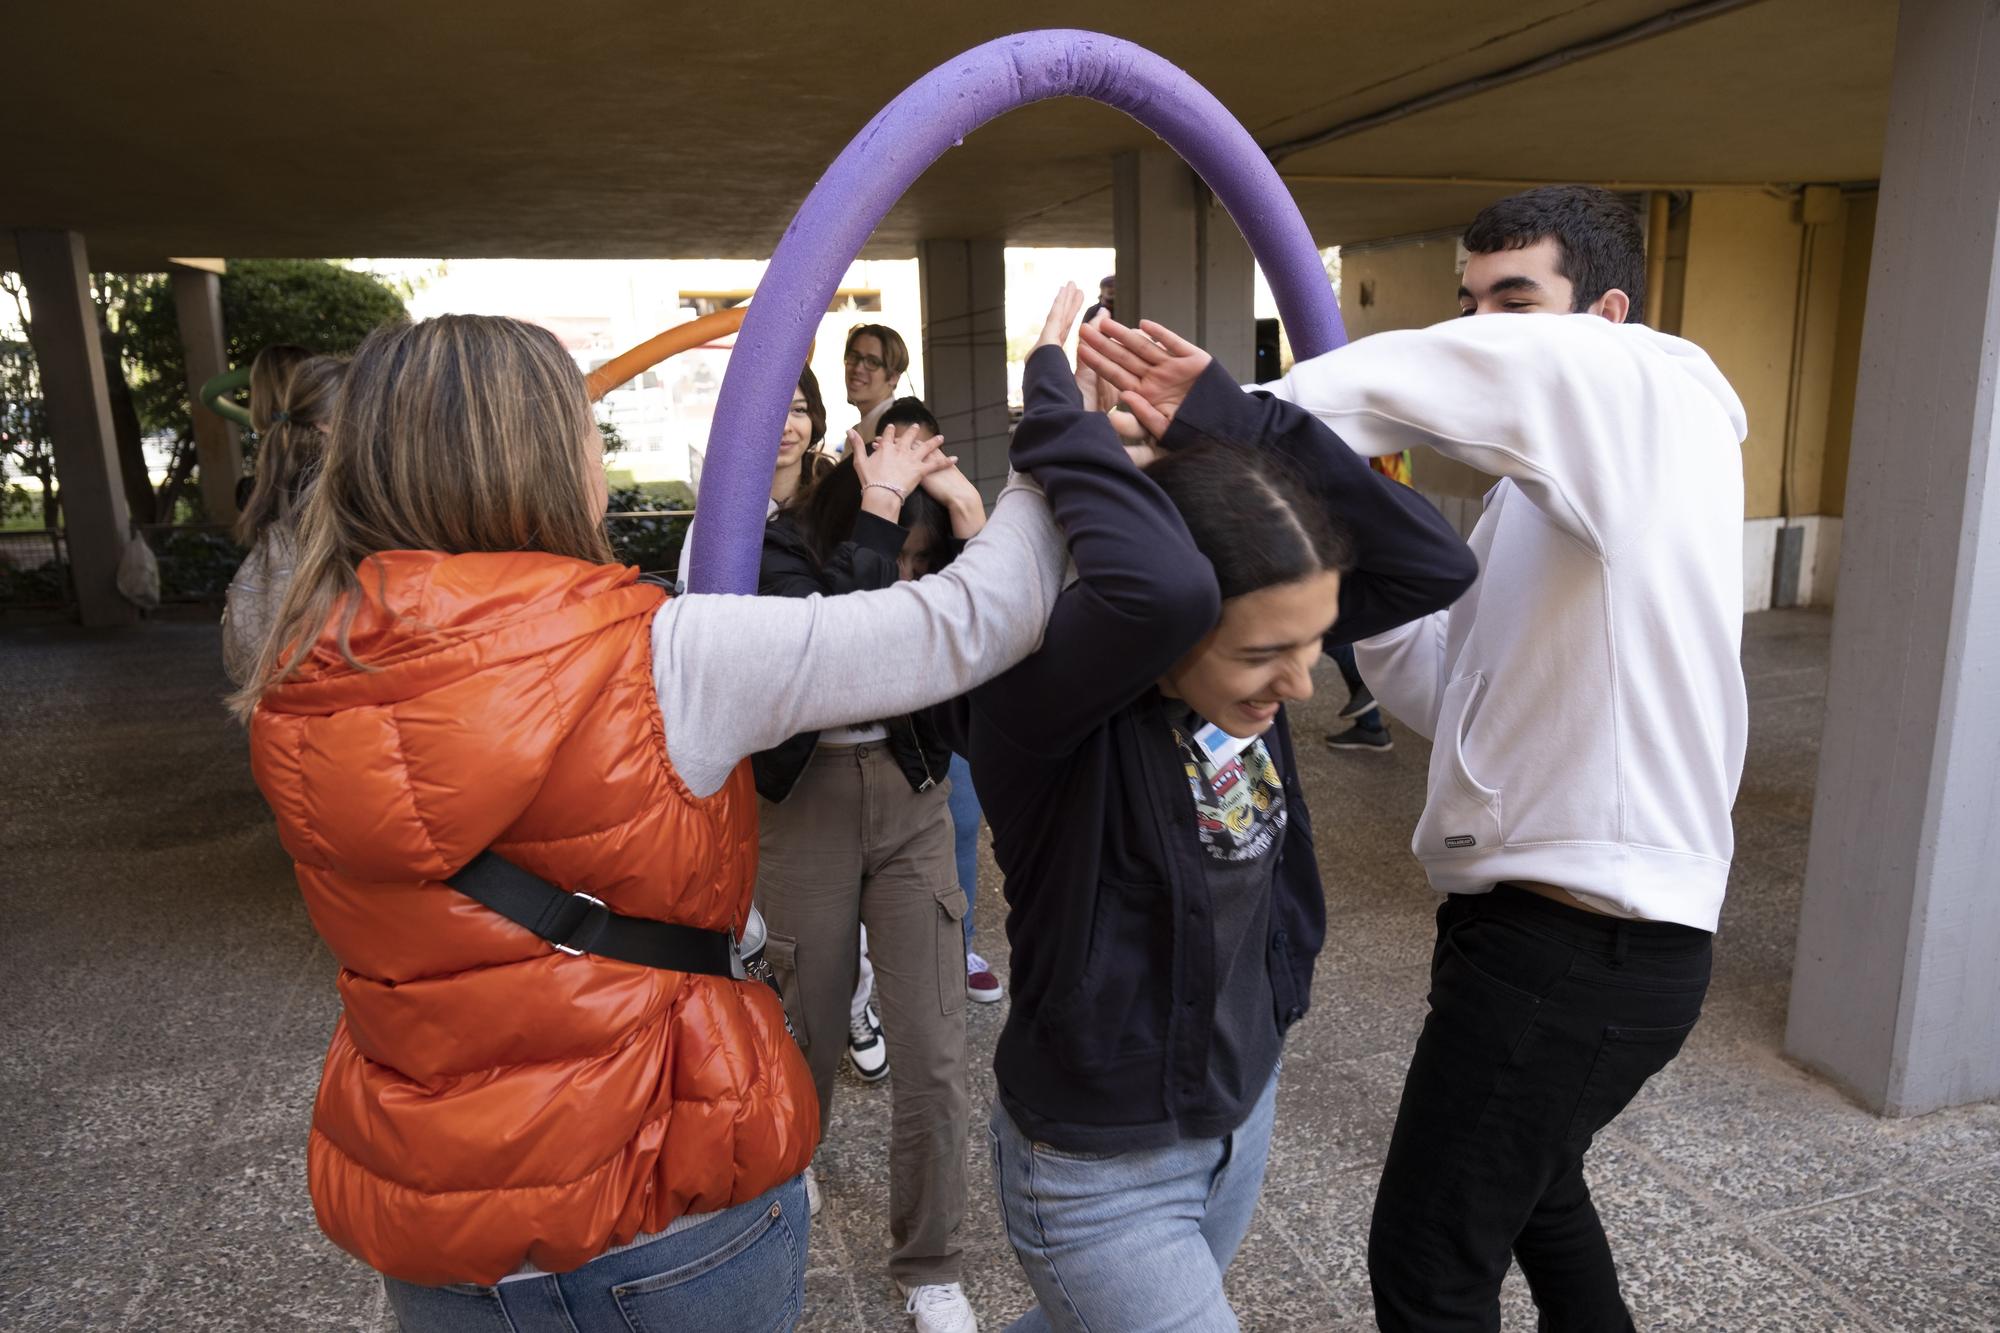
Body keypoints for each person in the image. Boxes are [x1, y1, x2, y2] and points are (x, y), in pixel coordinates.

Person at [230, 313, 1082, 1332]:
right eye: (586, 433)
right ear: (547, 462)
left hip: (434, 1227)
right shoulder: (658, 655)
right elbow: (977, 619)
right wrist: (1052, 441)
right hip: (662, 1209)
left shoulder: (298, 678)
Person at [1256, 185, 1751, 1331]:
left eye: (1512, 303)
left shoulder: (1656, 392)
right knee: (1538, 1199)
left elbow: (1418, 383)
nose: (1480, 331)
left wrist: (1220, 414)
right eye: (1467, 303)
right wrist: (1363, 575)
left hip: (1582, 943)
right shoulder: (1539, 502)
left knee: (1427, 1268)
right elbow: (1444, 690)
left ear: (1606, 316)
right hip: (1536, 934)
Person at [942, 294, 1475, 1333]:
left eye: (1312, 643)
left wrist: (1226, 416)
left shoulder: (1244, 652)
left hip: (1237, 1112)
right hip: (1100, 1170)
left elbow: (1431, 562)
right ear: (1180, 625)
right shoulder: (1047, 707)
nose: (1301, 683)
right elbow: (1154, 587)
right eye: (1263, 653)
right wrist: (1053, 411)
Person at [752, 392, 988, 1333]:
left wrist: (964, 515)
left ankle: (931, 1264)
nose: (912, 577)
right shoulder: (775, 538)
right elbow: (828, 656)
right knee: (803, 1029)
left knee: (932, 1047)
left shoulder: (917, 521)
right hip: (805, 796)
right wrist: (878, 507)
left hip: (913, 788)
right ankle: (786, 1164)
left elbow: (987, 626)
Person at [221, 346, 343, 685]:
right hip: (317, 671)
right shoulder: (340, 500)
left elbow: (211, 392)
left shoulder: (271, 477)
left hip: (281, 680)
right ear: (329, 425)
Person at [674, 365, 831, 590]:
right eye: (771, 412)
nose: (785, 427)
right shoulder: (716, 520)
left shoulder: (834, 503)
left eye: (798, 410)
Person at [844, 322, 911, 442]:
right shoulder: (859, 431)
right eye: (854, 357)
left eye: (872, 362)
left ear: (894, 377)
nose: (858, 368)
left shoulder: (899, 431)